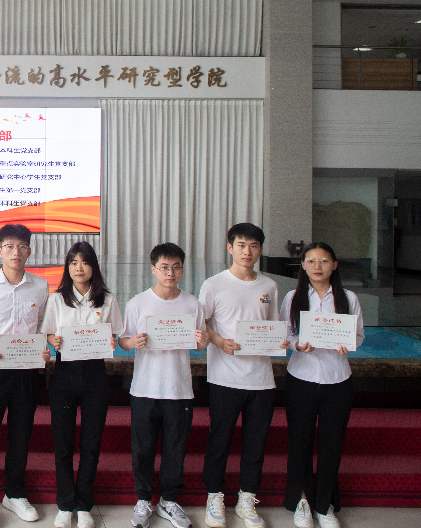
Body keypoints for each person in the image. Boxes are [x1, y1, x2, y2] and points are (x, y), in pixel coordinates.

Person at [200, 223, 288, 528]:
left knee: (255, 442)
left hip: (261, 379)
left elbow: (274, 326)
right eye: (241, 245)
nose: (247, 251)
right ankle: (214, 496)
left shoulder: (269, 286)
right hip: (224, 378)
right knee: (219, 440)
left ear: (260, 249)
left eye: (253, 246)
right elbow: (202, 324)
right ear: (230, 248)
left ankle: (247, 499)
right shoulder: (214, 284)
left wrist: (279, 341)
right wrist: (219, 341)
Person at [119, 243, 209, 528]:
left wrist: (202, 341)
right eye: (164, 267)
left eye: (176, 267)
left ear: (182, 269)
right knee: (142, 449)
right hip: (145, 388)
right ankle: (144, 499)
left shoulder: (192, 304)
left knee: (175, 449)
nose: (171, 273)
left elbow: (201, 342)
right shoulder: (138, 303)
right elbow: (123, 340)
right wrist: (132, 342)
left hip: (179, 389)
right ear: (153, 269)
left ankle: (169, 501)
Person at [0, 224, 50, 528]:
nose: (16, 252)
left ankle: (14, 494)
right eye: (9, 246)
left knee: (21, 433)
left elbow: (42, 325)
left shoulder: (40, 286)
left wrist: (43, 348)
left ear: (29, 251)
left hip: (27, 370)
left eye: (21, 246)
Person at [281, 243, 364, 528]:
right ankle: (302, 500)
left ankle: (324, 504)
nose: (318, 267)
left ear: (335, 265)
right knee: (300, 441)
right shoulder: (293, 297)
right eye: (312, 261)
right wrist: (297, 345)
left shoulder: (348, 298)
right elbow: (286, 334)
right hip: (301, 378)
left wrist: (348, 345)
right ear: (303, 265)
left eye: (324, 261)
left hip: (337, 379)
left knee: (332, 444)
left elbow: (359, 335)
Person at [42, 241, 122, 528]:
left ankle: (84, 504)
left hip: (95, 376)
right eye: (73, 262)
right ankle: (65, 505)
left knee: (91, 443)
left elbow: (116, 335)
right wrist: (53, 340)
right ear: (67, 267)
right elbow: (47, 334)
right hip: (64, 375)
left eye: (85, 262)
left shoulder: (107, 299)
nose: (79, 268)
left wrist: (111, 340)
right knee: (63, 444)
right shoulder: (57, 299)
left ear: (94, 267)